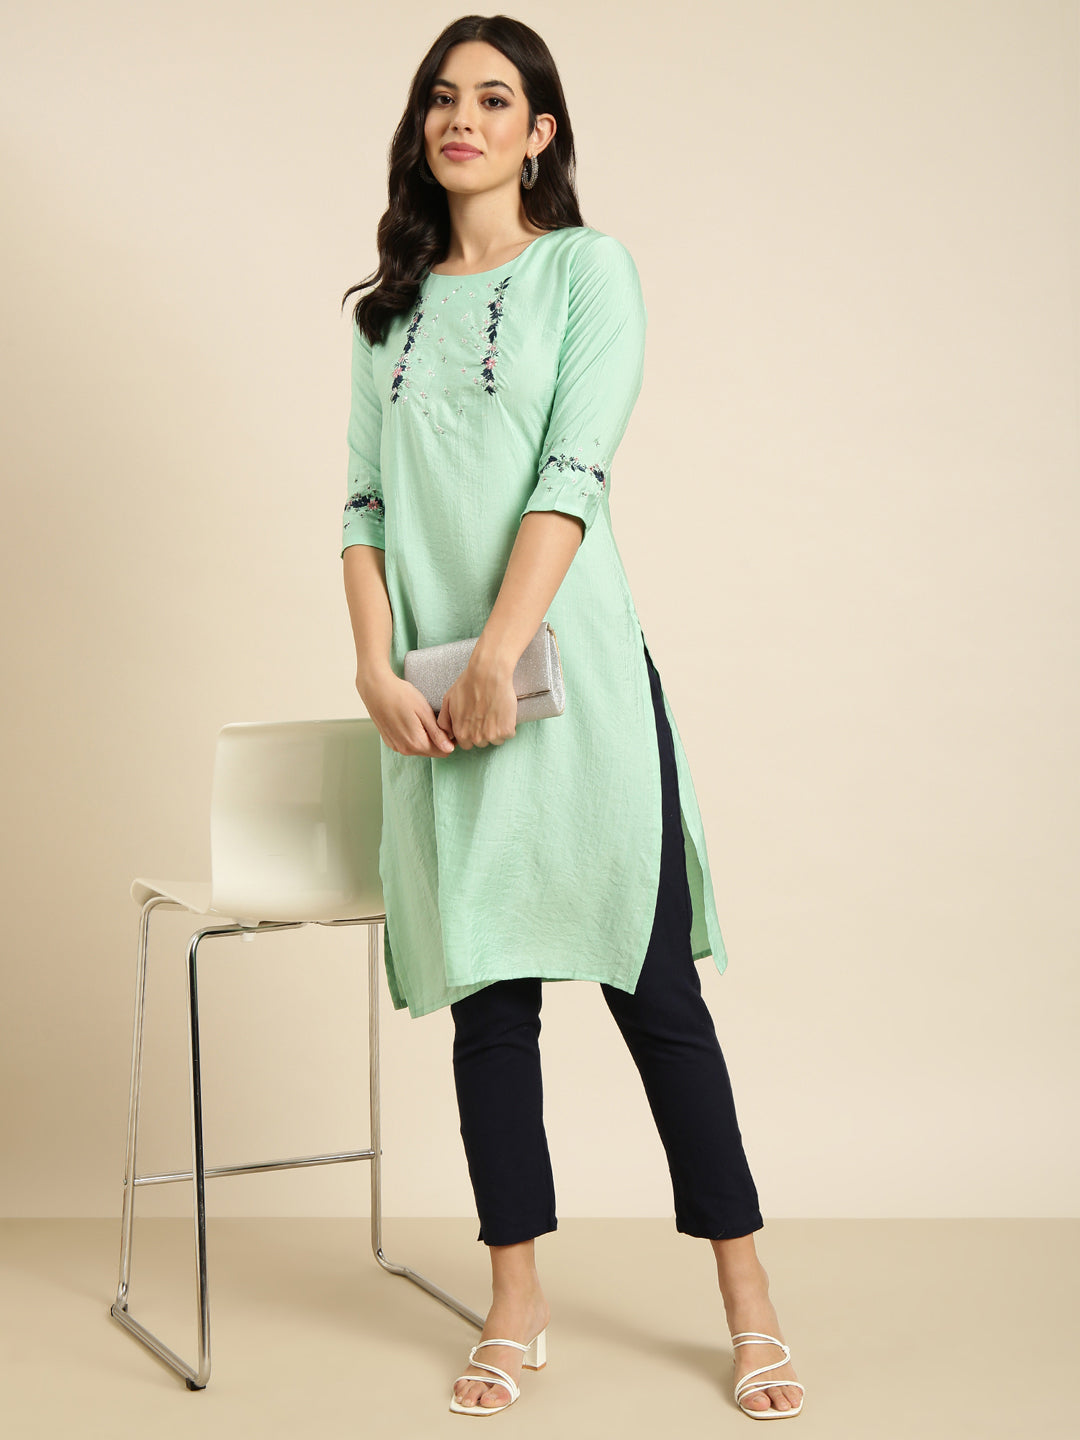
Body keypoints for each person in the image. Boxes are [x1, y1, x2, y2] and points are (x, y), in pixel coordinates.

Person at [339, 14, 804, 1422]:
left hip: (573, 678)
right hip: (434, 692)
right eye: (442, 97)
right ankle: (515, 1305)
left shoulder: (589, 271)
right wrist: (375, 670)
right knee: (489, 1004)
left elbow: (576, 468)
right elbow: (361, 507)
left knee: (654, 994)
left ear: (540, 132)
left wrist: (505, 650)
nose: (461, 118)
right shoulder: (386, 313)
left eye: (495, 99)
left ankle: (751, 1304)